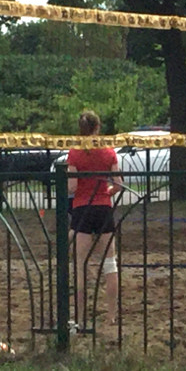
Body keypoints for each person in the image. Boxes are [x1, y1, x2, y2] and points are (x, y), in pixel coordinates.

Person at [67, 110, 122, 326]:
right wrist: (105, 193)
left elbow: (72, 186)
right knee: (110, 264)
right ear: (97, 128)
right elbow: (118, 183)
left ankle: (80, 318)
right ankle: (111, 316)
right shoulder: (108, 152)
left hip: (82, 208)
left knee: (81, 265)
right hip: (103, 208)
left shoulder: (75, 153)